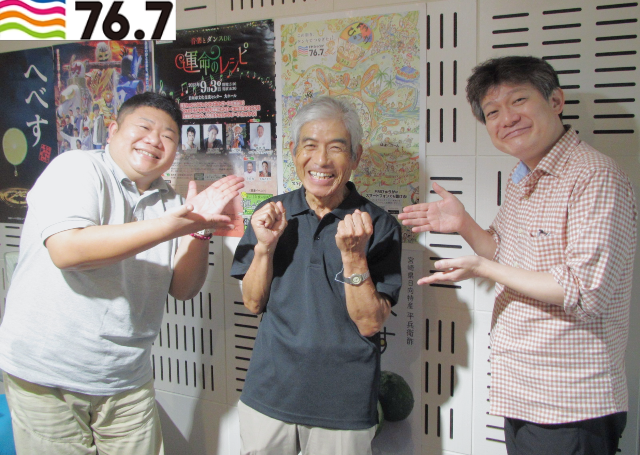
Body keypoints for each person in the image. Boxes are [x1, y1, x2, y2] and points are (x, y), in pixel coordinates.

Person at [399, 56, 637, 455]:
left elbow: (583, 289)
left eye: (519, 101)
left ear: (555, 101)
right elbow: (506, 254)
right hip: (525, 391)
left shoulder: (594, 176)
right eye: (492, 112)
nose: (506, 118)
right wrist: (464, 225)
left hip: (570, 401)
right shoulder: (524, 178)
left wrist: (481, 267)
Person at [0, 92, 244, 455]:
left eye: (168, 136)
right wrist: (172, 227)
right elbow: (69, 251)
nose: (154, 140)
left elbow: (183, 288)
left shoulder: (173, 205)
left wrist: (198, 231)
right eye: (143, 127)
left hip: (127, 377)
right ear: (113, 130)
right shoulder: (77, 167)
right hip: (47, 373)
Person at [231, 96, 402, 455]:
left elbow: (370, 322)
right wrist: (264, 248)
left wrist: (354, 257)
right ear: (294, 153)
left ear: (355, 157)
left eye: (336, 148)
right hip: (269, 393)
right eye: (310, 146)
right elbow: (252, 302)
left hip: (343, 404)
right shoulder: (271, 214)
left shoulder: (378, 225)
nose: (321, 160)